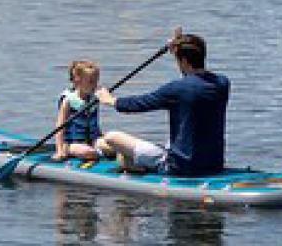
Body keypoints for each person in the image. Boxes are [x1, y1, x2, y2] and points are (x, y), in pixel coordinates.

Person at [97, 31, 228, 177]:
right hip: (214, 163)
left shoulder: (176, 89)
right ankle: (129, 159)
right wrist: (179, 48)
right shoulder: (223, 83)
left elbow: (140, 103)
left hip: (179, 167)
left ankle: (131, 162)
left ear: (183, 61)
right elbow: (192, 87)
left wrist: (111, 100)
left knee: (111, 137)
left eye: (178, 61)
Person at [54, 60, 106, 163]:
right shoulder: (68, 100)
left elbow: (95, 124)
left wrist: (103, 139)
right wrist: (59, 150)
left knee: (114, 146)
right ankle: (66, 149)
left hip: (93, 140)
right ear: (77, 81)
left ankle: (99, 152)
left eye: (96, 81)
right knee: (88, 152)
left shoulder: (94, 99)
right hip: (73, 143)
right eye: (91, 82)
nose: (95, 85)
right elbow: (60, 128)